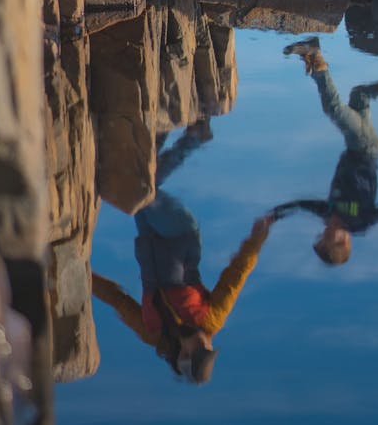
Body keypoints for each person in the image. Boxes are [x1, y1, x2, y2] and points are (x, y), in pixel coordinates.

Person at [92, 118, 275, 383]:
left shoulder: (152, 333)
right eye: (207, 350)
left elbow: (117, 299)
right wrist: (256, 240)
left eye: (198, 352)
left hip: (149, 237)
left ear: (182, 356)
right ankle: (185, 133)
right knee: (138, 190)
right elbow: (236, 275)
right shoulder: (212, 319)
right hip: (180, 234)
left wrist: (84, 277)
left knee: (141, 180)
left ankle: (177, 129)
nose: (204, 345)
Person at [270, 39, 378, 264]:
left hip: (355, 146)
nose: (324, 231)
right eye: (327, 237)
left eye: (321, 235)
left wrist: (276, 214)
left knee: (359, 96)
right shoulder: (361, 221)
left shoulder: (327, 212)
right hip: (365, 147)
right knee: (334, 109)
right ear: (344, 241)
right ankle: (315, 57)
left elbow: (300, 205)